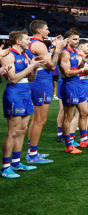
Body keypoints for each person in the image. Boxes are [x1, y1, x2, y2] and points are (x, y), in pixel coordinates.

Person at [1, 30, 45, 178]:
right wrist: (30, 67)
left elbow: (31, 79)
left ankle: (16, 162)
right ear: (18, 41)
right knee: (12, 132)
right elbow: (13, 79)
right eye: (27, 39)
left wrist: (35, 68)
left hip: (25, 91)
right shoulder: (9, 56)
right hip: (14, 93)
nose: (29, 41)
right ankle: (5, 168)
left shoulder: (25, 55)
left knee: (22, 129)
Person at [25, 20, 66, 164]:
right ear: (39, 31)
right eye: (46, 29)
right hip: (41, 81)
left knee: (36, 120)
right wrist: (58, 49)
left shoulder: (34, 44)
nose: (49, 31)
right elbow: (52, 65)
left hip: (40, 81)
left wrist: (54, 47)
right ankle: (32, 155)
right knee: (40, 120)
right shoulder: (39, 44)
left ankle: (32, 151)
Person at [58, 28, 88, 154]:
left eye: (77, 39)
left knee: (85, 112)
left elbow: (77, 67)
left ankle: (84, 139)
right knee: (69, 116)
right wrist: (83, 69)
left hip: (77, 85)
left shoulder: (75, 52)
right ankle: (69, 145)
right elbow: (67, 72)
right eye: (74, 39)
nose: (76, 41)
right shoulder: (65, 53)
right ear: (67, 40)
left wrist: (84, 62)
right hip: (69, 85)